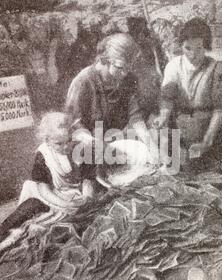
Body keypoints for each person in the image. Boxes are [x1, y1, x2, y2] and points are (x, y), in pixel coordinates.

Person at [0, 112, 94, 262]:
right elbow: (43, 189)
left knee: (53, 226)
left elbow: (87, 180)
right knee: (30, 205)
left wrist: (85, 198)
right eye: (59, 143)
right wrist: (63, 203)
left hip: (74, 194)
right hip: (50, 194)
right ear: (47, 141)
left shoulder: (81, 148)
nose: (65, 147)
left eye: (68, 141)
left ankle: (2, 248)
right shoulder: (43, 154)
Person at [64, 32, 160, 177]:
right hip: (86, 142)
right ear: (105, 59)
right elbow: (74, 125)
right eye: (120, 67)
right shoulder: (84, 80)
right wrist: (98, 145)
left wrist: (151, 146)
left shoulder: (128, 80)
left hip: (113, 141)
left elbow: (135, 117)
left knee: (146, 153)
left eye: (129, 68)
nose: (125, 73)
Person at [154, 18, 222, 170]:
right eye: (187, 48)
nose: (193, 54)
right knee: (169, 164)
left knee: (202, 170)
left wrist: (207, 140)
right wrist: (164, 116)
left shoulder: (217, 69)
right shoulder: (173, 66)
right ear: (181, 46)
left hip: (209, 129)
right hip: (180, 126)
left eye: (199, 48)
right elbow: (167, 97)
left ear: (206, 46)